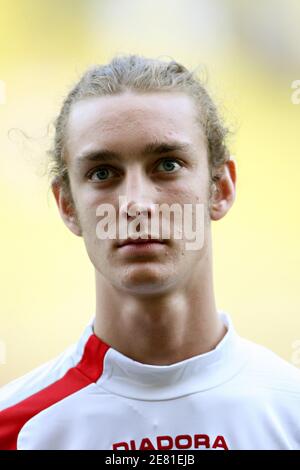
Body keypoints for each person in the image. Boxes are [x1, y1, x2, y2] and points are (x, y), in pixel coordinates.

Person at [0, 55, 299, 451]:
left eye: (167, 165)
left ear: (221, 188)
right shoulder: (16, 430)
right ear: (67, 206)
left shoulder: (290, 413)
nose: (135, 204)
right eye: (103, 173)